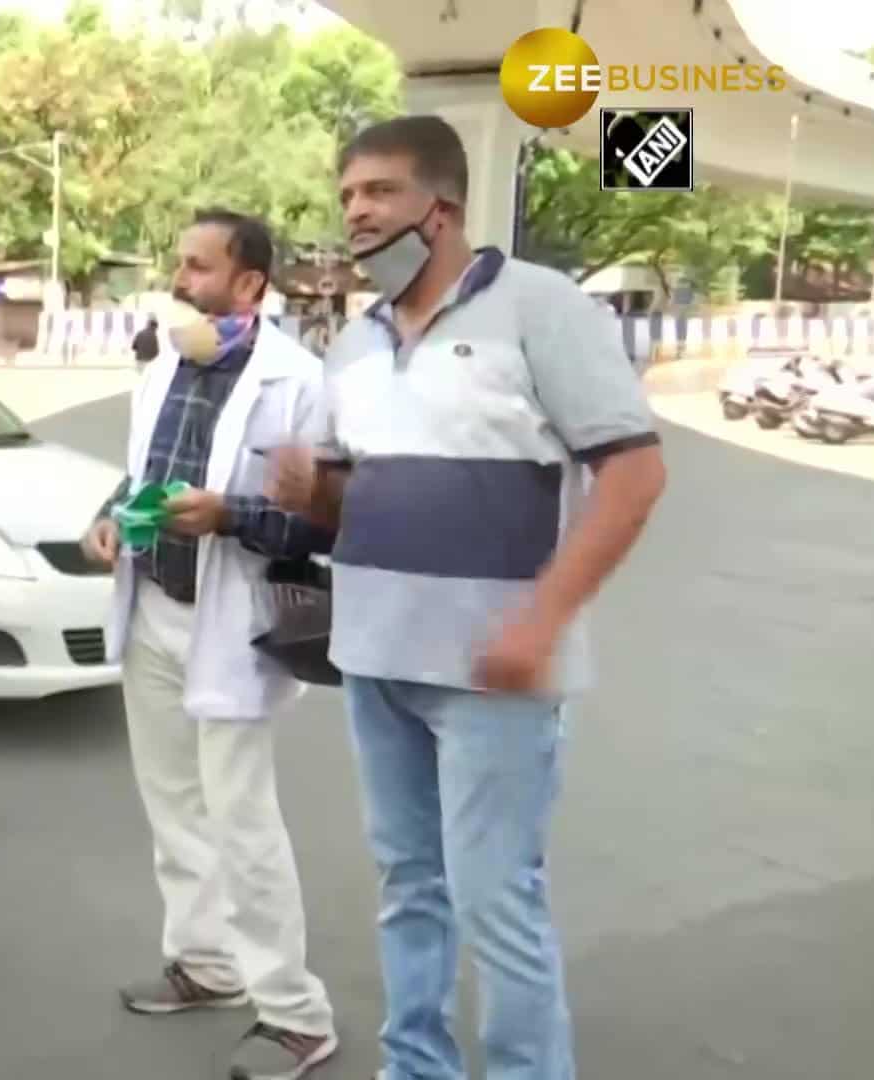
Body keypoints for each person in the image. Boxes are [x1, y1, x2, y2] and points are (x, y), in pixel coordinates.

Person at [267, 115, 667, 1080]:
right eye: (347, 194)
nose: (356, 213)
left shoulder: (542, 306)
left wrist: (543, 619)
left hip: (494, 671)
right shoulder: (353, 344)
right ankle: (417, 1066)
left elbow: (634, 474)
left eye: (378, 193)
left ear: (440, 208)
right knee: (411, 887)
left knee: (496, 898)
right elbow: (363, 495)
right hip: (375, 655)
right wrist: (308, 488)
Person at [78, 209, 341, 1080]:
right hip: (153, 602)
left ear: (250, 286)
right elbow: (140, 473)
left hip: (228, 619)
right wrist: (109, 518)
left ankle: (297, 1016)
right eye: (178, 263)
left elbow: (316, 520)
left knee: (241, 817)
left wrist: (228, 515)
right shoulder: (163, 369)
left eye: (199, 267)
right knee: (172, 802)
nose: (180, 281)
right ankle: (207, 962)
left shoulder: (298, 382)